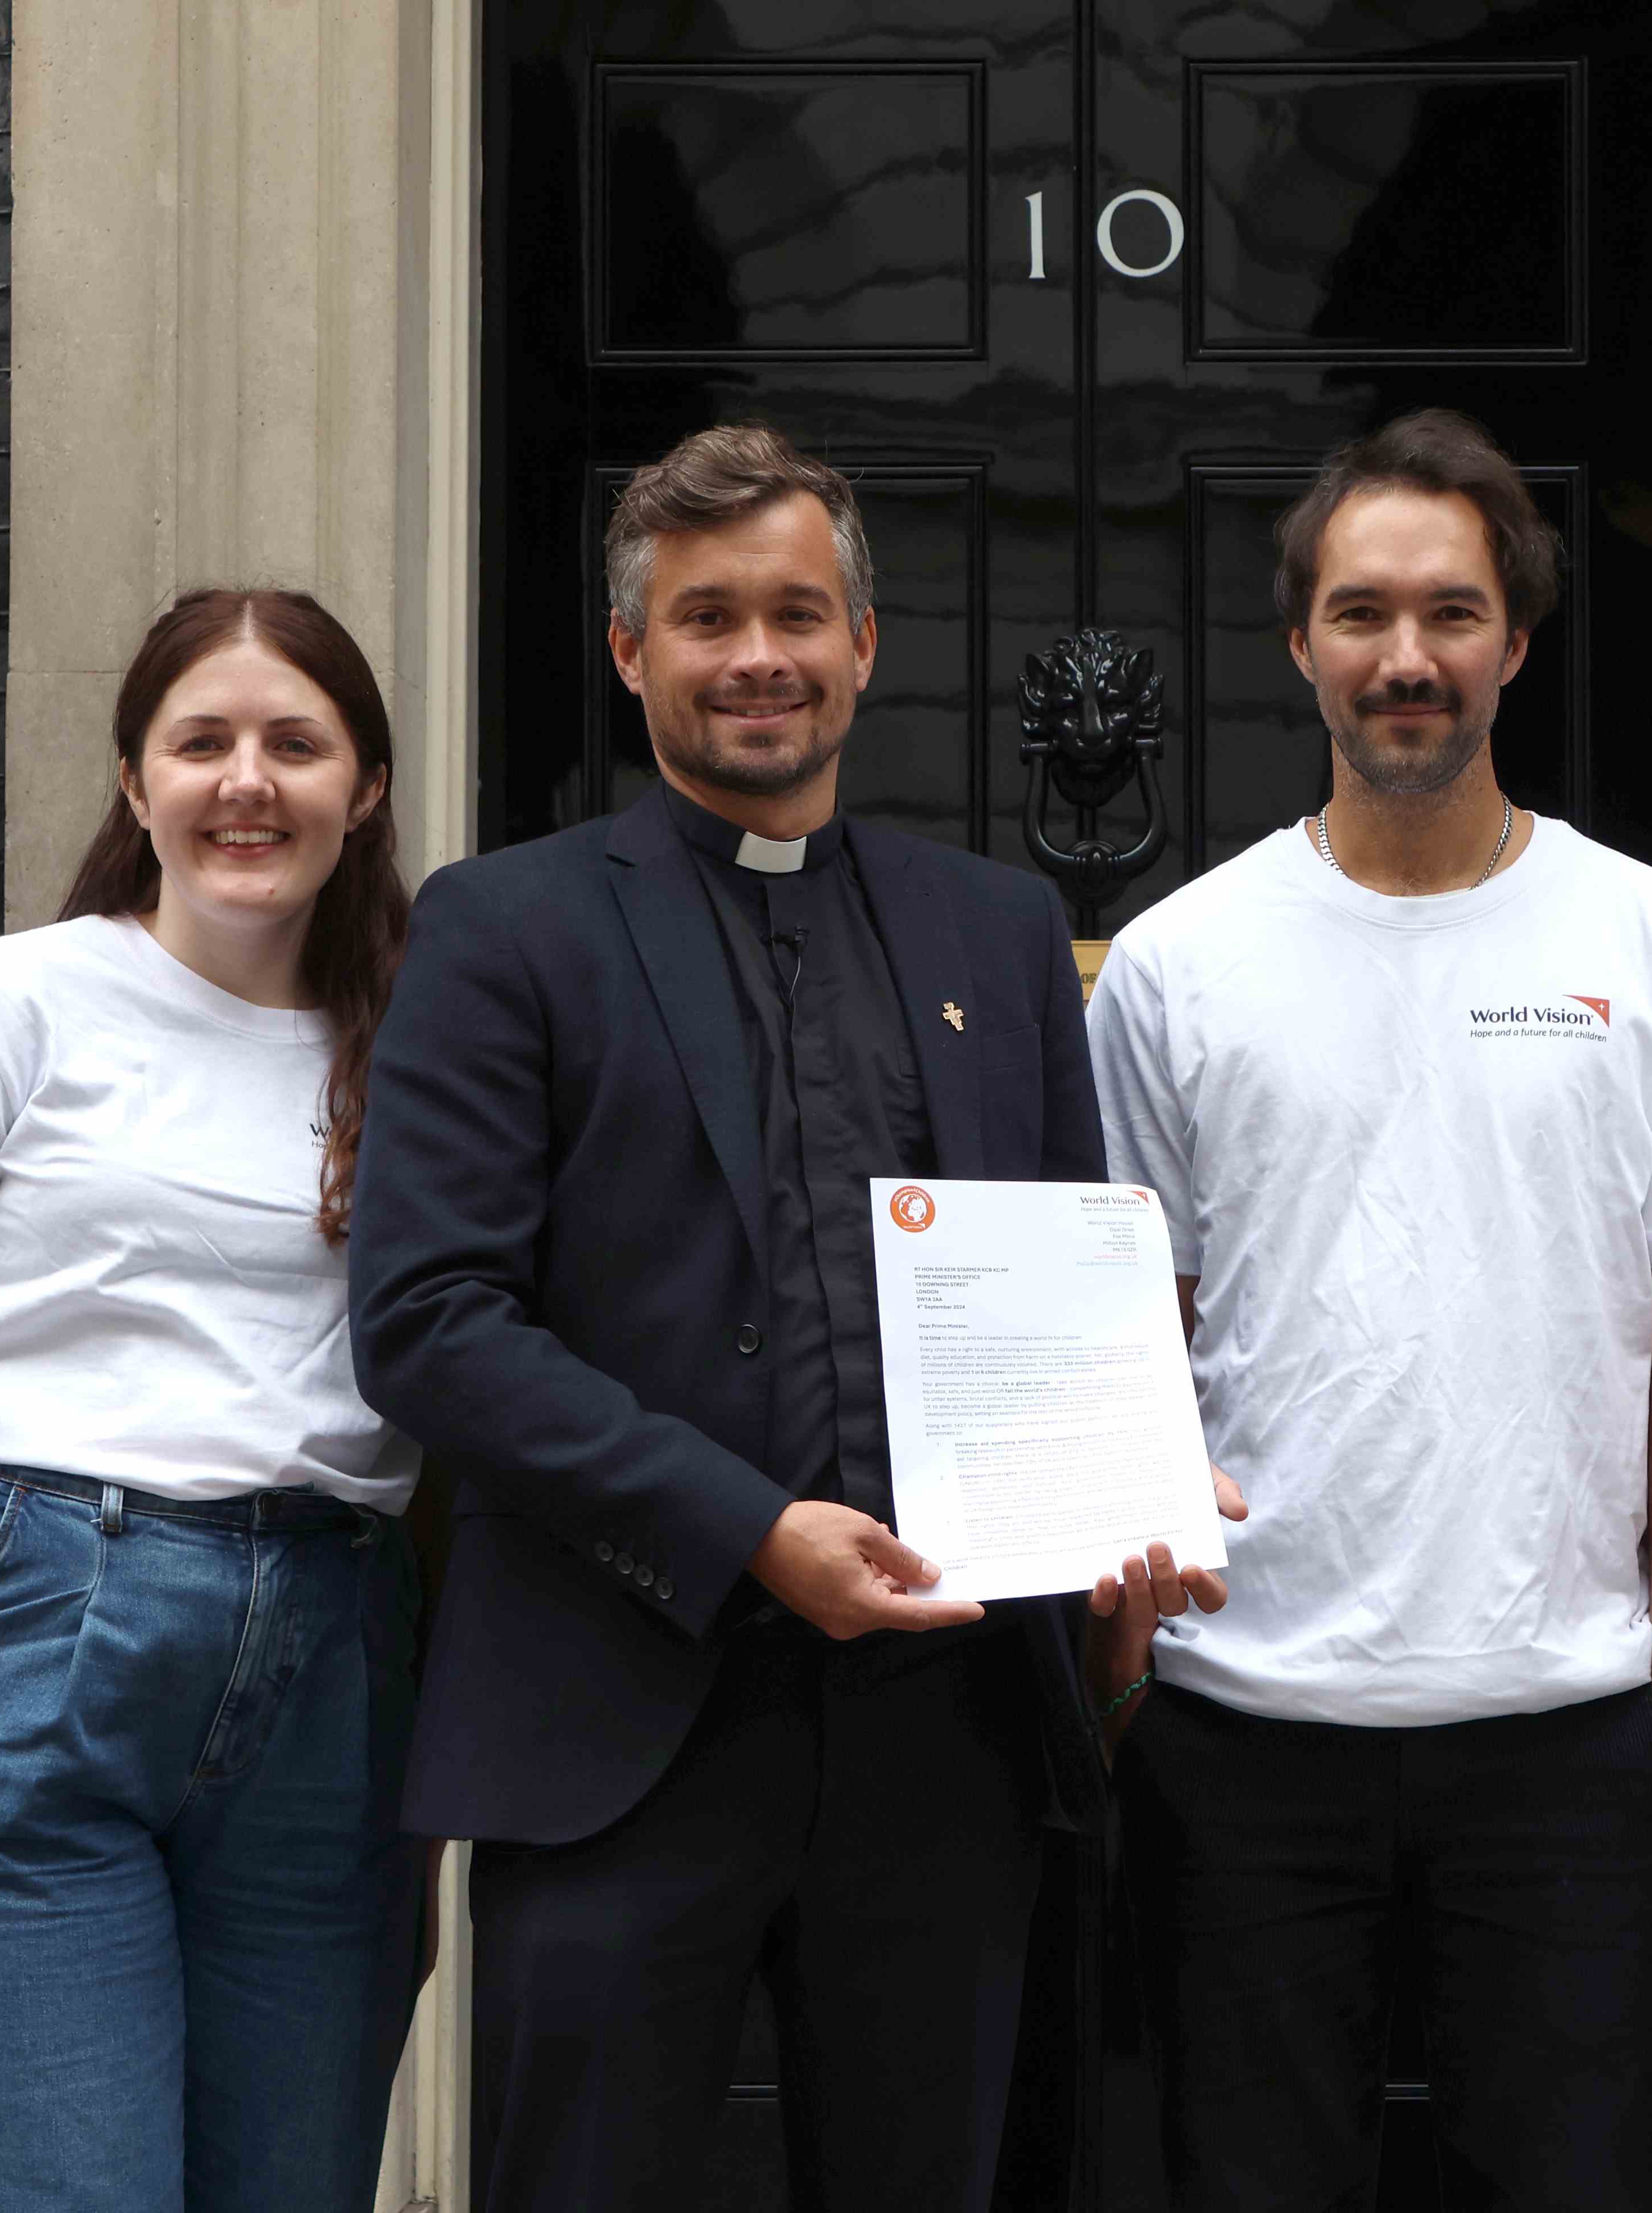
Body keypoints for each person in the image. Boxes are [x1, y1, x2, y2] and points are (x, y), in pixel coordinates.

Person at [349, 421, 1214, 2210]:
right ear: (629, 651)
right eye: (708, 618)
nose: (760, 656)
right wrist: (747, 1529)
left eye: (799, 615)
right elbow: (429, 1323)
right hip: (612, 1725)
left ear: (864, 643)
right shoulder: (503, 925)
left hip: (947, 1740)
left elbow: (1067, 1294)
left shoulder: (997, 931)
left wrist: (1123, 1503)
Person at [1080, 407, 1652, 2209]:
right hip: (1241, 1726)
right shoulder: (1175, 964)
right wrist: (1126, 1681)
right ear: (1300, 640)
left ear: (1516, 641)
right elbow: (1134, 1326)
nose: (1408, 657)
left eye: (1453, 613)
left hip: (1568, 1727)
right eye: (1363, 613)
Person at [0, 588, 423, 2212]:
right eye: (201, 743)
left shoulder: (428, 1047)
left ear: (365, 789)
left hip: (332, 1662)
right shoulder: (8, 1008)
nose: (246, 782)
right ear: (136, 783)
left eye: (295, 744)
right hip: (33, 1619)